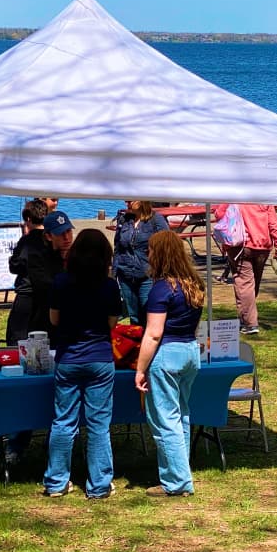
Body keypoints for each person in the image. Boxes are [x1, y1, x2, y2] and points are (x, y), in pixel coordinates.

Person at [43, 229, 122, 499]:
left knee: (63, 420)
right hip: (99, 357)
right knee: (99, 424)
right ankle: (99, 485)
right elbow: (112, 323)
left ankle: (56, 482)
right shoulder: (110, 286)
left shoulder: (61, 282)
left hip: (68, 357)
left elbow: (54, 319)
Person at [135, 230, 206, 497]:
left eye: (151, 250)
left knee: (165, 420)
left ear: (160, 254)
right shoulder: (194, 283)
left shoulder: (161, 288)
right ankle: (179, 474)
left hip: (167, 355)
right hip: (189, 351)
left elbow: (153, 333)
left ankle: (177, 481)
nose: (148, 254)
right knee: (181, 415)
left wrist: (140, 369)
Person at [213, 203, 277, 334]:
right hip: (262, 246)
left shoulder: (234, 195)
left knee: (245, 284)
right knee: (252, 283)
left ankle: (250, 323)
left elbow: (219, 214)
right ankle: (246, 318)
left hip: (239, 245)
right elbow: (273, 223)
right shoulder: (264, 199)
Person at [109, 200, 169, 327]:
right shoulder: (124, 219)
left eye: (131, 200)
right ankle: (136, 343)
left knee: (148, 312)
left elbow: (167, 246)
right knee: (134, 316)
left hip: (147, 275)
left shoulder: (156, 220)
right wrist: (113, 276)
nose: (127, 203)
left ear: (142, 200)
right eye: (126, 200)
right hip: (125, 274)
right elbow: (118, 248)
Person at [6, 199, 49, 344]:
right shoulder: (50, 239)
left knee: (17, 333)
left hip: (27, 292)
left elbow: (15, 265)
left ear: (28, 219)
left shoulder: (27, 241)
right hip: (46, 292)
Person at [27, 210, 75, 337]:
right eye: (60, 234)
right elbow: (46, 287)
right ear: (48, 236)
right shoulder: (37, 259)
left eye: (68, 231)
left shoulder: (78, 258)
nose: (66, 238)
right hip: (45, 322)